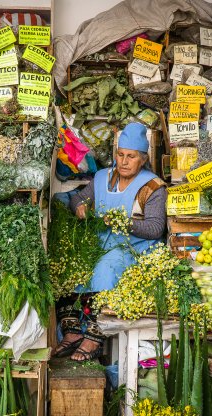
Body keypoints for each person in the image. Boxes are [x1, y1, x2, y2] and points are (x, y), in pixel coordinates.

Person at [54, 122, 167, 361]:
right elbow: (78, 199)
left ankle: (95, 336)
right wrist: (80, 207)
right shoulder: (102, 177)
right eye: (121, 154)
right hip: (101, 242)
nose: (124, 161)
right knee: (71, 262)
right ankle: (73, 331)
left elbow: (156, 229)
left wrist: (122, 223)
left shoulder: (153, 187)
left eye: (131, 156)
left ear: (143, 159)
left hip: (132, 248)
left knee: (107, 266)